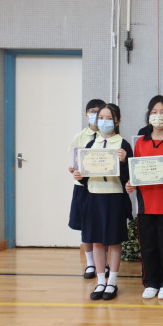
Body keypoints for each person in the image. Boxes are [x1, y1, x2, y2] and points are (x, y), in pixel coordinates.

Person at [125, 95, 163, 300]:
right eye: (154, 112)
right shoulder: (141, 142)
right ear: (148, 116)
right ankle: (150, 281)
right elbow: (136, 171)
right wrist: (131, 184)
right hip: (145, 203)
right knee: (148, 245)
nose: (158, 116)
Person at [71, 103, 132, 301]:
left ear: (118, 121)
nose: (105, 121)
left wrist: (124, 162)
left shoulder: (123, 145)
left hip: (114, 198)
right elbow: (85, 176)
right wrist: (79, 176)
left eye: (109, 118)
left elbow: (130, 177)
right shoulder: (90, 146)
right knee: (96, 240)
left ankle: (112, 281)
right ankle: (100, 281)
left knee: (114, 241)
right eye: (101, 118)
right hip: (93, 197)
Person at [68, 98, 105, 279]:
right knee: (87, 227)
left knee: (103, 225)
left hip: (103, 187)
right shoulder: (80, 137)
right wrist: (73, 169)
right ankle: (90, 263)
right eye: (92, 112)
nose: (96, 115)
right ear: (86, 115)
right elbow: (73, 161)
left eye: (100, 113)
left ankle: (103, 263)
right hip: (83, 188)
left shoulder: (109, 137)